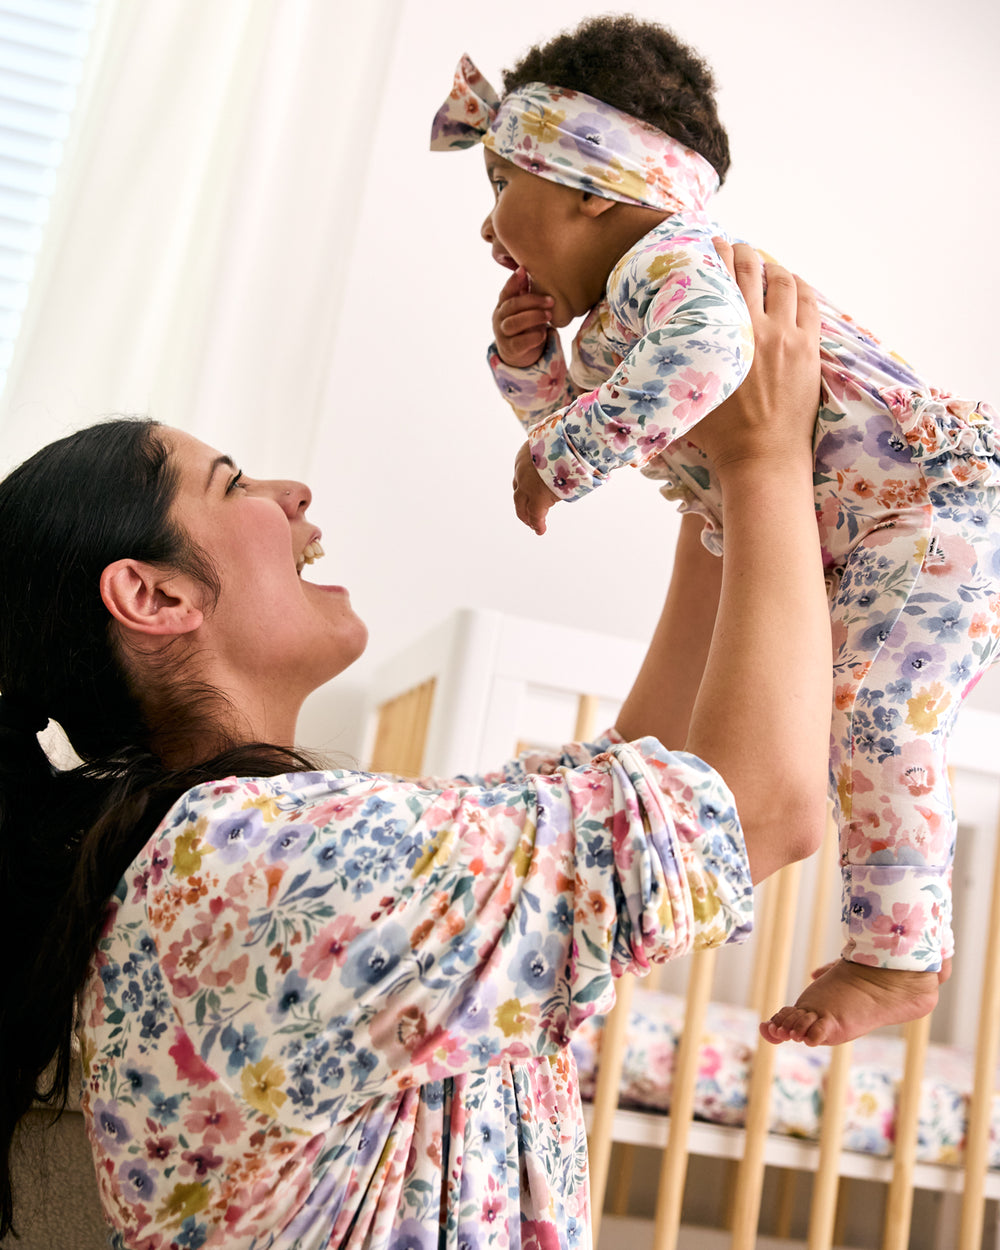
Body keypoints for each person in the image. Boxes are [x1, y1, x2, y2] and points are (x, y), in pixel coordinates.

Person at [0, 245, 825, 1249]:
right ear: (155, 594)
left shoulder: (241, 847)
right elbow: (759, 808)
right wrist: (765, 459)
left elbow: (644, 772)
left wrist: (705, 488)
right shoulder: (248, 855)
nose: (291, 491)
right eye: (233, 485)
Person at [429, 16, 1000, 1048]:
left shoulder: (675, 266)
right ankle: (893, 941)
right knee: (838, 707)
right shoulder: (619, 320)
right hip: (860, 532)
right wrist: (531, 375)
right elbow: (654, 434)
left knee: (871, 707)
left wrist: (566, 449)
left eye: (500, 188)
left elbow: (700, 363)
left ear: (590, 189)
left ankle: (901, 951)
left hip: (936, 508)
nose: (487, 232)